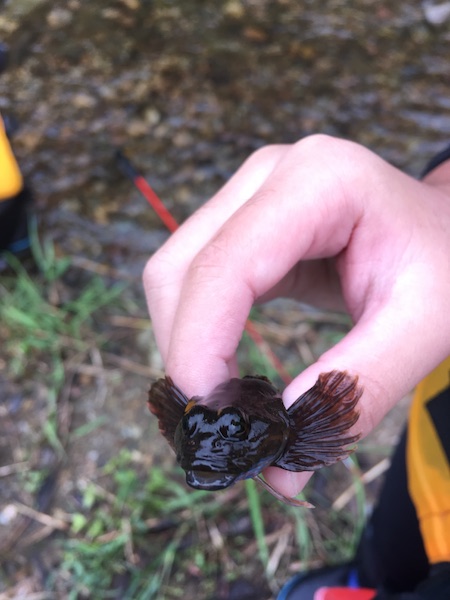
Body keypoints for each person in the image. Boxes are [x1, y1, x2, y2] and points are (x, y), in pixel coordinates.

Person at [143, 134, 450, 599]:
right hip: (433, 461)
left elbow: (335, 403)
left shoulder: (290, 430)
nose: (206, 446)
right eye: (196, 426)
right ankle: (366, 578)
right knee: (395, 538)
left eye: (226, 432)